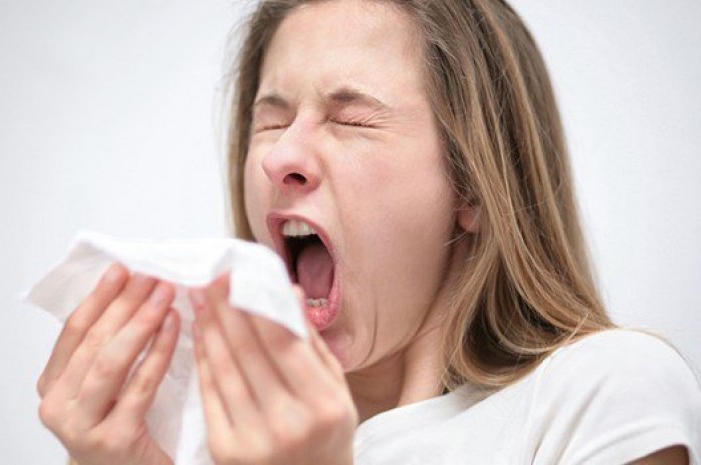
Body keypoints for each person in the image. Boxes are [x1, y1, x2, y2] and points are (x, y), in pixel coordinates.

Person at [35, 0, 701, 463]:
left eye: (350, 119)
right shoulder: (202, 439)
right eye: (272, 120)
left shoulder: (600, 393)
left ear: (474, 181)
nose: (280, 156)